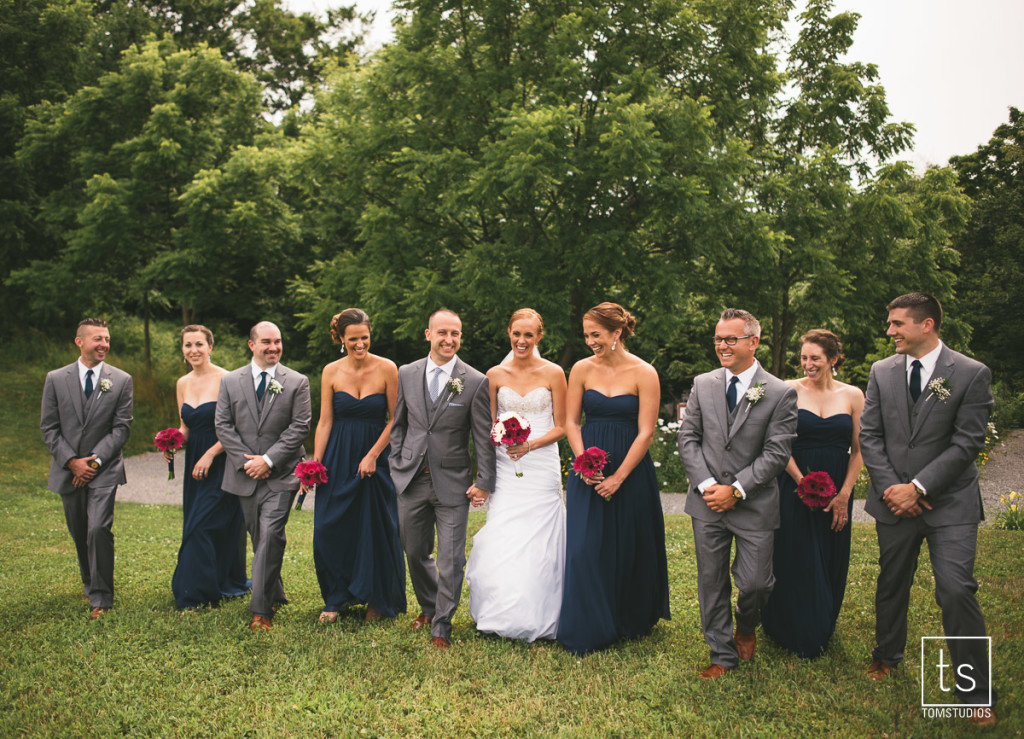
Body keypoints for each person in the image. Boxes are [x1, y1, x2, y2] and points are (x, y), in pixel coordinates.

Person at [860, 293, 997, 726]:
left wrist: (918, 487)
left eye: (897, 324)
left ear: (927, 325)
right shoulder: (881, 372)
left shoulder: (971, 373)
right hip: (892, 502)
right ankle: (886, 655)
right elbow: (870, 435)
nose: (890, 332)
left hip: (950, 502)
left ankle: (976, 691)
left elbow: (968, 442)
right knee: (892, 580)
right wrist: (892, 490)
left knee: (956, 588)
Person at [677, 308, 797, 679]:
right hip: (707, 501)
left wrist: (738, 489)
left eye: (730, 339)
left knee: (756, 584)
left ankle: (746, 626)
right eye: (718, 339)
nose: (722, 346)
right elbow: (688, 438)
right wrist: (708, 485)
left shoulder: (779, 392)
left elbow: (777, 451)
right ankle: (721, 655)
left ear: (753, 342)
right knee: (711, 581)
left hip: (754, 503)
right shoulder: (704, 383)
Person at [557, 302, 670, 654]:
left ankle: (630, 618)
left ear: (617, 333)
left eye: (596, 334)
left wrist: (619, 477)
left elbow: (646, 432)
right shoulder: (580, 369)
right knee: (584, 547)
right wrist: (583, 462)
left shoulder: (644, 372)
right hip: (587, 468)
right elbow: (572, 422)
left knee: (628, 543)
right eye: (587, 334)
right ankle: (589, 622)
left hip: (629, 469)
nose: (590, 340)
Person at [389, 309, 496, 649]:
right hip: (411, 480)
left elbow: (482, 436)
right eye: (443, 333)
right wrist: (396, 463)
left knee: (451, 559)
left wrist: (484, 480)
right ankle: (428, 606)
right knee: (415, 551)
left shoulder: (475, 380)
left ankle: (442, 626)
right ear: (428, 334)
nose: (449, 339)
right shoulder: (406, 373)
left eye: (456, 334)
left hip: (453, 482)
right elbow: (399, 425)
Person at [760, 330, 864, 657]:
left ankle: (822, 623)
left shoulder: (853, 396)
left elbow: (860, 450)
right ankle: (788, 627)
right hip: (794, 484)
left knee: (830, 553)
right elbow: (778, 443)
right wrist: (801, 481)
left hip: (837, 487)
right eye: (804, 358)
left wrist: (845, 494)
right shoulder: (788, 391)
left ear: (833, 359)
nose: (808, 364)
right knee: (795, 554)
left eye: (815, 358)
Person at [465, 309, 568, 642]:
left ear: (539, 336)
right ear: (508, 333)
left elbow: (563, 426)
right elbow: (488, 428)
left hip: (541, 464)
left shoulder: (554, 373)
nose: (522, 341)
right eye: (516, 334)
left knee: (542, 536)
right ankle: (502, 612)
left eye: (529, 335)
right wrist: (487, 471)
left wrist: (531, 444)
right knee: (505, 530)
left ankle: (546, 612)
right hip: (507, 464)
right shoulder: (494, 374)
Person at [308, 309, 406, 624]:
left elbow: (395, 419)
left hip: (376, 457)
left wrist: (374, 454)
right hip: (338, 455)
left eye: (364, 337)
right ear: (341, 339)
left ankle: (376, 599)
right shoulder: (331, 372)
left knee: (375, 527)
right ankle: (335, 598)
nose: (360, 344)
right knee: (329, 527)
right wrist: (316, 463)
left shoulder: (388, 368)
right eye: (353, 339)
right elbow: (325, 421)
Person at [215, 321, 311, 631]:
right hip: (245, 474)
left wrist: (268, 459)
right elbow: (223, 425)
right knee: (258, 537)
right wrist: (247, 463)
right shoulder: (230, 381)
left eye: (278, 342)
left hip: (281, 474)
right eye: (266, 342)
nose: (273, 347)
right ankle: (275, 591)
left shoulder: (297, 382)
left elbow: (300, 427)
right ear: (251, 345)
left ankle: (261, 610)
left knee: (271, 535)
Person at [41, 318, 134, 619]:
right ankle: (90, 583)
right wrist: (72, 462)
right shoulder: (55, 379)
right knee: (79, 530)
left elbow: (121, 430)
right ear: (79, 341)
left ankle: (102, 598)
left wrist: (93, 462)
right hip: (68, 468)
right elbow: (49, 428)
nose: (104, 344)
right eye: (97, 339)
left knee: (98, 528)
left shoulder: (121, 380)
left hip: (103, 469)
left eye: (106, 339)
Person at [165, 325, 250, 610]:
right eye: (188, 345)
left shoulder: (228, 379)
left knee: (203, 525)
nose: (193, 350)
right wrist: (173, 443)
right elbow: (185, 427)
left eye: (199, 344)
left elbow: (239, 428)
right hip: (195, 466)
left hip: (223, 460)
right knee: (197, 522)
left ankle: (194, 593)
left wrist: (211, 454)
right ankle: (216, 579)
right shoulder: (182, 383)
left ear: (210, 346)